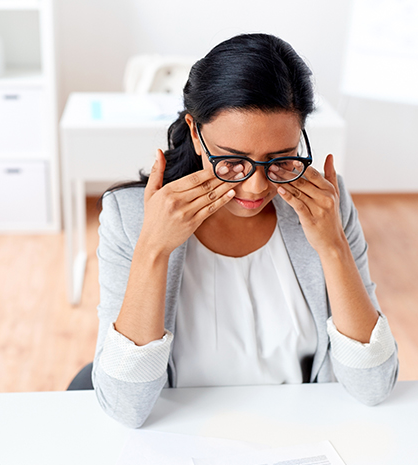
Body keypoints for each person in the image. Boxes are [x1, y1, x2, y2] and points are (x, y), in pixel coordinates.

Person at [93, 33, 399, 428]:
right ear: (195, 131)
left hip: (303, 439)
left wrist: (333, 246)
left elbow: (373, 387)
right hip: (182, 442)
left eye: (280, 158)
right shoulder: (132, 216)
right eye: (233, 160)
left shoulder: (323, 204)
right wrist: (153, 249)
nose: (256, 187)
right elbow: (124, 408)